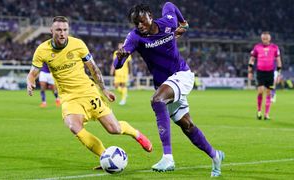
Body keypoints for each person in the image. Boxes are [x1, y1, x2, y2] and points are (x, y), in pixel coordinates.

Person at [26, 16, 152, 169]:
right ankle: (106, 156)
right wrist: (30, 81)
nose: (62, 33)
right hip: (68, 97)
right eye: (58, 30)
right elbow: (33, 73)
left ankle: (136, 134)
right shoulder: (42, 50)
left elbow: (93, 68)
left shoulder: (78, 44)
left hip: (88, 92)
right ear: (51, 31)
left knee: (114, 129)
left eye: (65, 30)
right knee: (74, 126)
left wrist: (103, 89)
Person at [114, 2, 224, 177]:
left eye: (142, 21)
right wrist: (120, 58)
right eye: (136, 24)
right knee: (186, 125)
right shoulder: (134, 37)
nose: (140, 26)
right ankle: (215, 155)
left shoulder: (168, 22)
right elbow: (118, 64)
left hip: (182, 75)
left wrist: (183, 23)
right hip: (165, 84)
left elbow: (169, 4)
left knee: (157, 100)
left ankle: (168, 158)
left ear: (150, 16)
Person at [248, 31, 282, 120]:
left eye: (266, 38)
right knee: (260, 91)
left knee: (269, 93)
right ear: (261, 38)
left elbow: (278, 61)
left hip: (270, 73)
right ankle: (259, 112)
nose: (265, 40)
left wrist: (278, 74)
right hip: (260, 72)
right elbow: (252, 59)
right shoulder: (257, 47)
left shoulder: (275, 47)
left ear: (269, 38)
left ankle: (266, 114)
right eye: (263, 38)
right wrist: (250, 71)